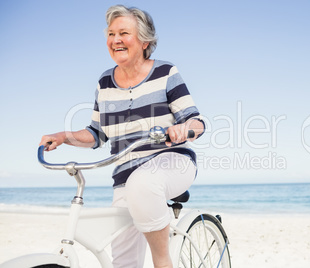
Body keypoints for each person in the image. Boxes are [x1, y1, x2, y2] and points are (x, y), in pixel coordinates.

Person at [39, 5, 205, 268]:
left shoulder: (166, 73)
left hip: (172, 161)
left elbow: (195, 119)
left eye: (124, 33)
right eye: (111, 34)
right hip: (125, 176)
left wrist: (185, 128)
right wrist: (63, 136)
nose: (115, 39)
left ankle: (163, 262)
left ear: (144, 41)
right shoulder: (105, 82)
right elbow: (97, 133)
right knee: (124, 262)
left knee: (143, 184)